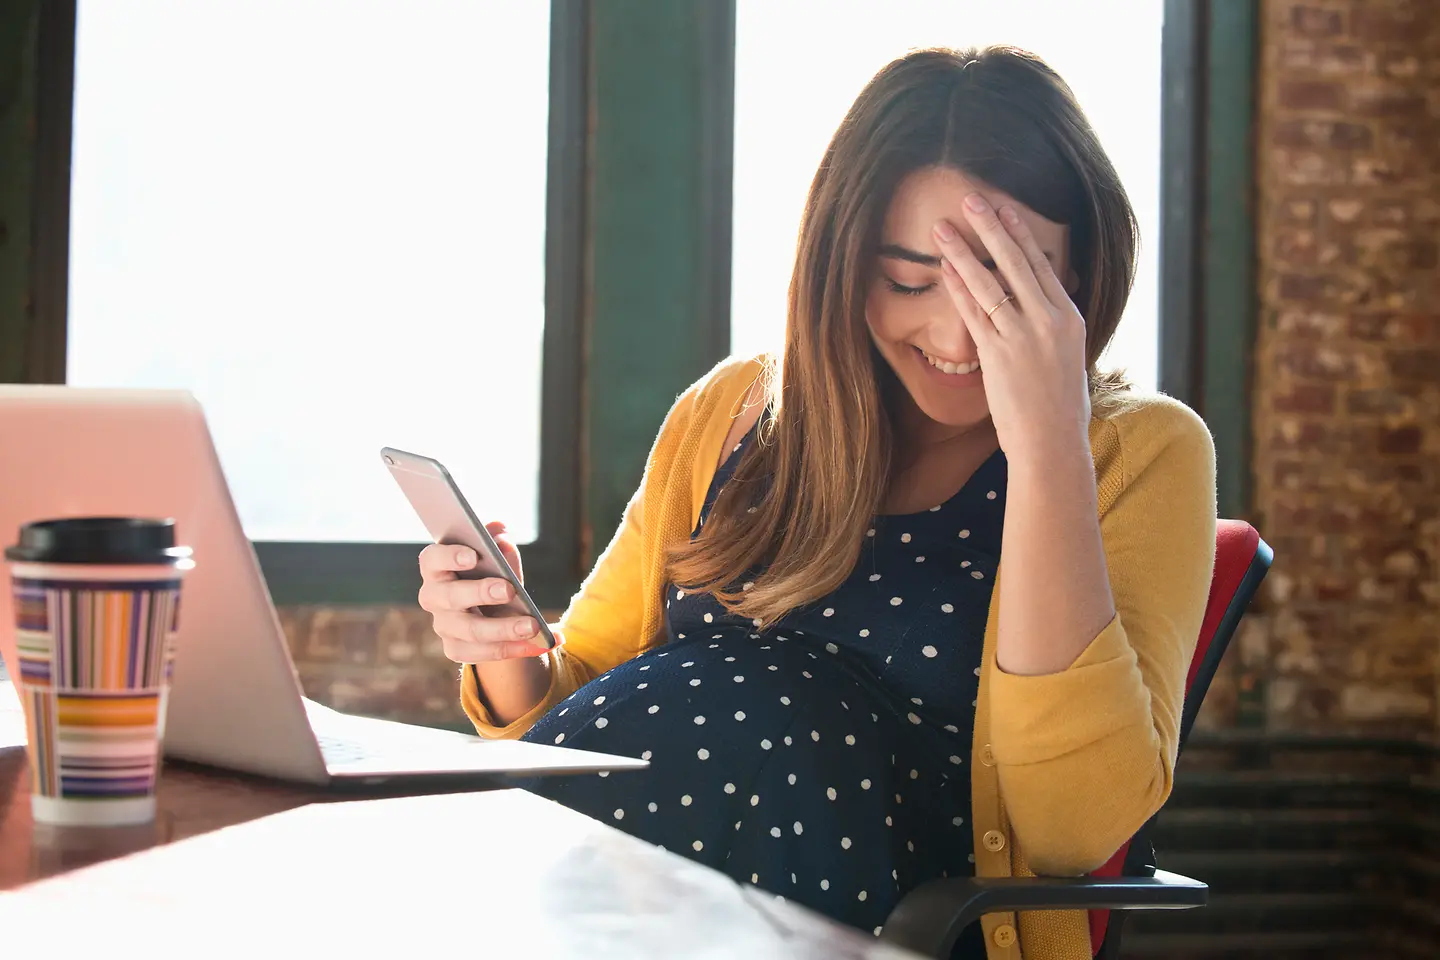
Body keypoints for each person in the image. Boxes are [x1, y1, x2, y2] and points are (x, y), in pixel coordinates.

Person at [417, 46, 1215, 960]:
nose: (957, 335)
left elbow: (1074, 826)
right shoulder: (731, 410)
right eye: (912, 280)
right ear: (842, 261)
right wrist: (505, 648)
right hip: (612, 898)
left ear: (1079, 272)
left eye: (1009, 287)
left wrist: (1046, 450)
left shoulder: (1139, 452)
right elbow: (574, 705)